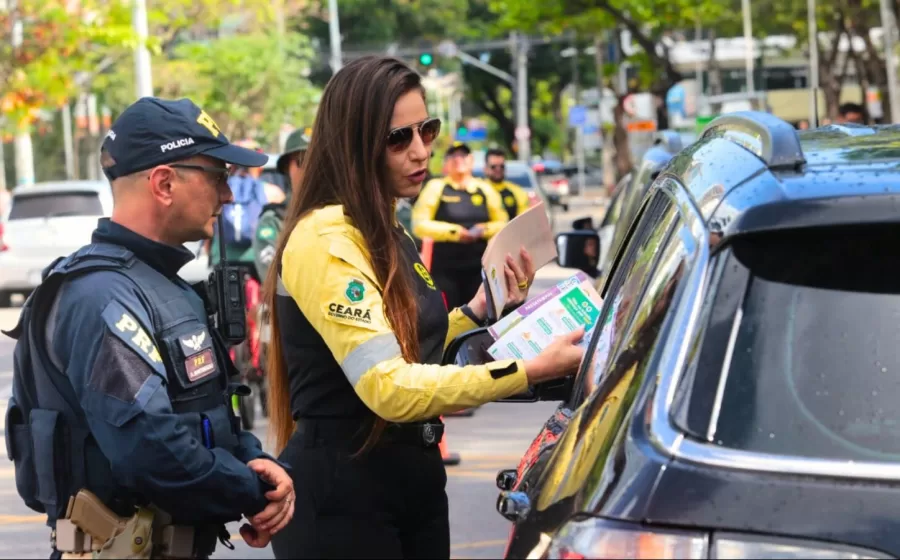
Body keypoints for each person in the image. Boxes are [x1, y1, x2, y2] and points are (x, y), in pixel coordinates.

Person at [262, 56, 586, 559]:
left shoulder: (388, 227)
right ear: (355, 143)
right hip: (344, 495)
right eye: (398, 139)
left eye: (427, 130)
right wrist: (527, 370)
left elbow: (414, 349)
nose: (421, 152)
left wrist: (480, 309)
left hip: (410, 481)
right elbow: (388, 386)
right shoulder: (325, 238)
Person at [2, 97, 295, 558]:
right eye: (218, 176)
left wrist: (252, 458)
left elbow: (205, 412)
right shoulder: (102, 296)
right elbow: (150, 449)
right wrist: (250, 488)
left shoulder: (160, 284)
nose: (228, 195)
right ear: (163, 183)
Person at [412, 142, 508, 309]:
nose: (459, 160)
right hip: (445, 270)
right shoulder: (437, 187)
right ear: (446, 163)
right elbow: (419, 225)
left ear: (471, 160)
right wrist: (455, 233)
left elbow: (503, 222)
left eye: (463, 156)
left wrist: (483, 230)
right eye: (453, 156)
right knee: (447, 317)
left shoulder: (484, 189)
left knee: (479, 316)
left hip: (479, 269)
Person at [253, 126, 311, 282]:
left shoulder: (347, 214)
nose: (312, 169)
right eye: (303, 161)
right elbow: (272, 279)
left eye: (318, 160)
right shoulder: (274, 220)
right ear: (287, 169)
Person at [483, 148, 530, 220]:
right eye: (493, 167)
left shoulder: (516, 190)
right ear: (485, 169)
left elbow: (524, 218)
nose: (498, 169)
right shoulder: (479, 189)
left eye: (502, 166)